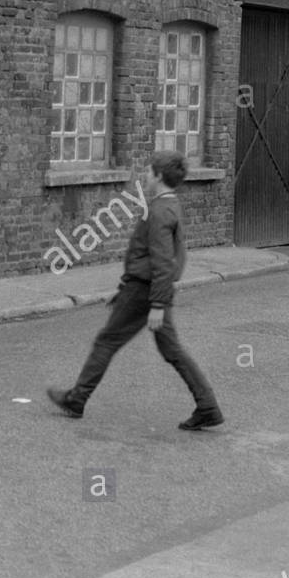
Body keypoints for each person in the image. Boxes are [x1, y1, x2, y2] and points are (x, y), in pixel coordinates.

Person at [47, 150, 223, 430]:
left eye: (149, 172)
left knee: (107, 341)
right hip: (150, 289)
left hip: (144, 290)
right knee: (173, 350)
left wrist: (156, 305)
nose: (146, 176)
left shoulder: (159, 211)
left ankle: (77, 398)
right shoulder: (170, 205)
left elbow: (163, 262)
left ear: (158, 176)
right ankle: (208, 406)